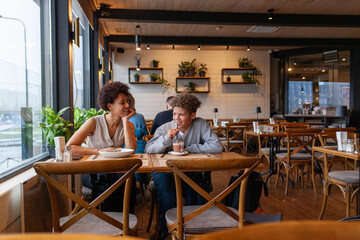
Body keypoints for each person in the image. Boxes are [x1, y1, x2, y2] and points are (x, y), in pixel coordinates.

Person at [145, 93, 222, 237]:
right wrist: (167, 138)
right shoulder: (165, 128)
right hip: (165, 172)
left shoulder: (200, 124)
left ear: (193, 115)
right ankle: (167, 231)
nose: (176, 118)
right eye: (174, 114)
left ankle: (192, 231)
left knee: (197, 192)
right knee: (168, 196)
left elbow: (217, 146)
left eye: (181, 115)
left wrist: (190, 149)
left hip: (191, 170)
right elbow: (149, 149)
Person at [67, 81, 137, 212]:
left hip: (117, 171)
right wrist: (98, 151)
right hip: (94, 172)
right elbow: (69, 147)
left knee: (127, 180)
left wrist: (125, 121)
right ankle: (109, 222)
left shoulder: (128, 125)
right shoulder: (94, 122)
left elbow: (131, 149)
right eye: (122, 102)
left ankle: (124, 222)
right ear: (110, 106)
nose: (127, 105)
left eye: (127, 102)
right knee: (111, 182)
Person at [127, 93, 150, 187]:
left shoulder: (136, 118)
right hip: (139, 152)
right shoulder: (138, 117)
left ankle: (132, 185)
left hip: (137, 153)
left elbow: (137, 135)